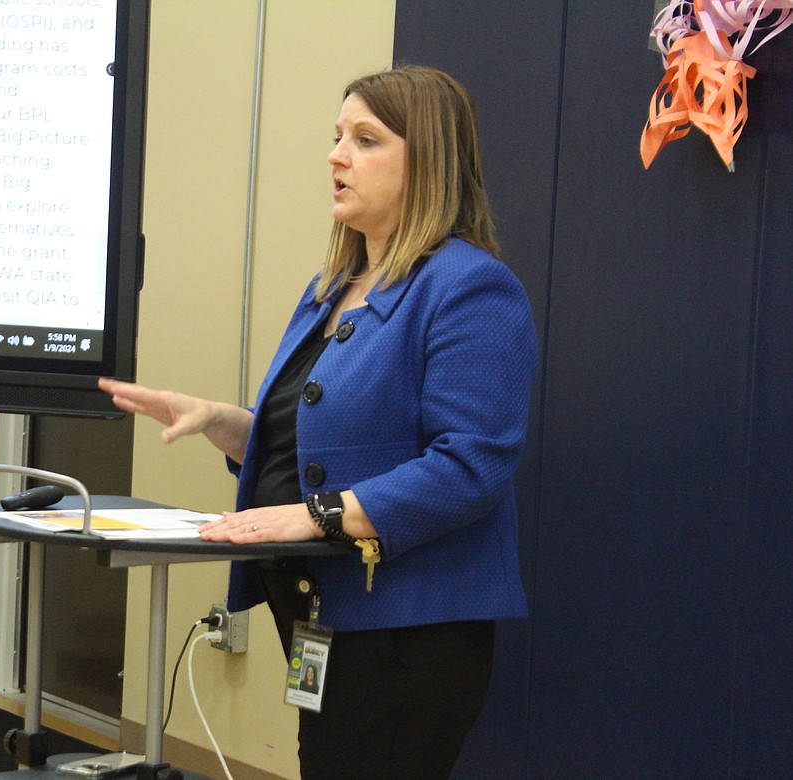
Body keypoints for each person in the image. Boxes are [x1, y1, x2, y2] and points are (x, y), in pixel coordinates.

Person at [100, 65, 537, 780]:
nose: (337, 157)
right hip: (321, 615)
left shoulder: (471, 287)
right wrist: (224, 422)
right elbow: (321, 444)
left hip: (409, 632)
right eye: (336, 137)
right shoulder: (332, 288)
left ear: (427, 159)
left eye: (366, 140)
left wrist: (319, 515)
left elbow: (472, 466)